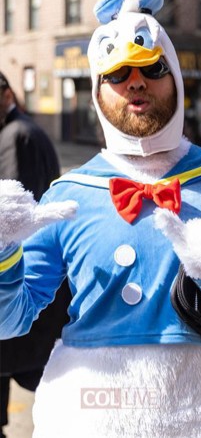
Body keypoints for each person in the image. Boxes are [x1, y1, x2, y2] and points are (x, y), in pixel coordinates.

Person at [0, 0, 201, 437]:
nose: (135, 81)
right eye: (116, 74)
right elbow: (10, 319)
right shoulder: (67, 193)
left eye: (151, 66)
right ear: (98, 92)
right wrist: (3, 250)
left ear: (175, 74)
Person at [0, 74, 70, 438]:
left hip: (21, 283)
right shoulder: (19, 131)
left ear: (8, 94)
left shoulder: (17, 137)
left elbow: (12, 220)